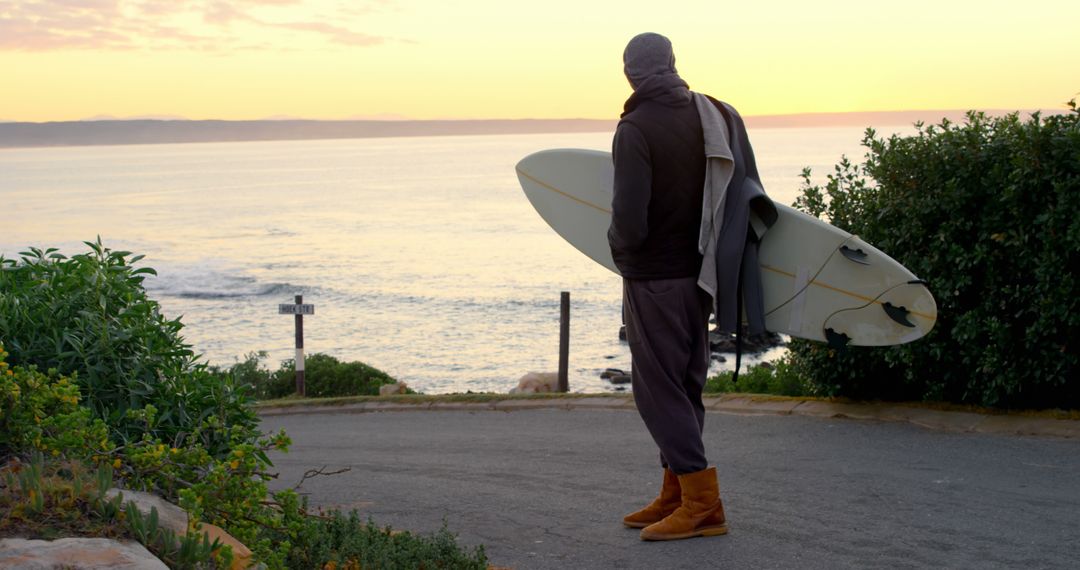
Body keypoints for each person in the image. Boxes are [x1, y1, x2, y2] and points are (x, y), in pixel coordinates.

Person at [608, 32, 776, 542]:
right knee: (685, 384)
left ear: (630, 73)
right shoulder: (710, 115)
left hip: (654, 279)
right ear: (672, 64)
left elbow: (629, 223)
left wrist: (618, 251)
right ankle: (677, 492)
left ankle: (703, 504)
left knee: (657, 390)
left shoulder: (635, 129)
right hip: (704, 276)